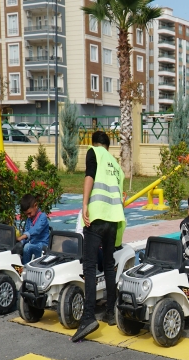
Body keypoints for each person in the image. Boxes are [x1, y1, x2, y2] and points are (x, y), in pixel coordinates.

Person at [72, 130, 126, 343]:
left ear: (95, 143)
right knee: (110, 264)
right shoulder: (116, 165)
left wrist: (85, 204)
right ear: (109, 146)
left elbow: (89, 176)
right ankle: (111, 312)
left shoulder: (93, 152)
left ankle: (88, 318)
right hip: (113, 220)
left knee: (90, 267)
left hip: (96, 218)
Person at [17, 194, 49, 264]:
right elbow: (27, 230)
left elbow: (36, 230)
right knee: (19, 247)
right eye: (26, 214)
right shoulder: (29, 219)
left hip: (42, 246)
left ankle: (25, 267)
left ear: (35, 205)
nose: (28, 216)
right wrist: (20, 242)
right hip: (33, 244)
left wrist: (22, 237)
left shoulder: (42, 217)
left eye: (29, 213)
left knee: (27, 247)